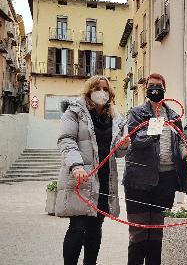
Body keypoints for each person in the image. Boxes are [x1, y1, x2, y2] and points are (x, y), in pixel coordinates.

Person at [56, 75, 130, 265]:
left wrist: (123, 146)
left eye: (106, 89)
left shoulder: (115, 118)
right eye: (98, 88)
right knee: (77, 227)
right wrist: (76, 165)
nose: (102, 92)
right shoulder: (74, 111)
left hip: (104, 179)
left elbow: (118, 153)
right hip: (82, 177)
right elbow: (66, 139)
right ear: (89, 90)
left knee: (96, 226)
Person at [123, 73, 185, 265]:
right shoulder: (136, 113)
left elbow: (181, 142)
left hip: (165, 180)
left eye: (158, 85)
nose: (155, 88)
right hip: (138, 180)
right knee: (139, 232)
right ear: (146, 89)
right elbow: (138, 140)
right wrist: (157, 124)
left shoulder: (174, 116)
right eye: (151, 85)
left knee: (158, 233)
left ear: (165, 89)